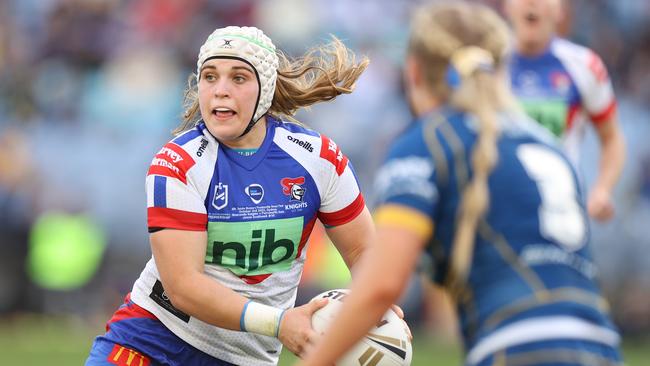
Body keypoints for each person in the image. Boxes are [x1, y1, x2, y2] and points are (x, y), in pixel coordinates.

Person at [299, 2, 623, 366]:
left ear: (414, 71)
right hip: (601, 347)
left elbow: (382, 285)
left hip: (516, 347)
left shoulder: (426, 143)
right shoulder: (547, 145)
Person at [85, 26, 376, 366]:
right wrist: (280, 324)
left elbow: (363, 250)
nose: (220, 91)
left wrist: (378, 304)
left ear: (265, 89)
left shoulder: (319, 159)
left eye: (238, 78)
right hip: (152, 342)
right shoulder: (178, 162)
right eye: (210, 77)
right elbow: (183, 287)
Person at [505, 0, 626, 222]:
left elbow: (612, 138)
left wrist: (602, 190)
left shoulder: (584, 65)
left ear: (560, 10)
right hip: (498, 207)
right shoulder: (487, 64)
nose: (532, 3)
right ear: (506, 5)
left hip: (559, 209)